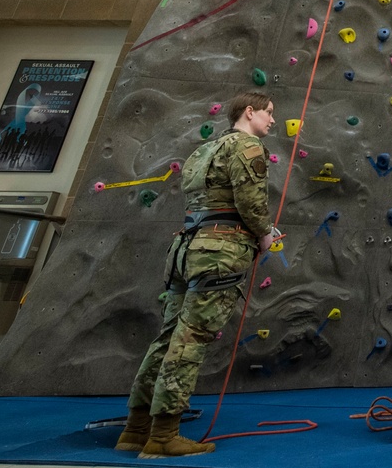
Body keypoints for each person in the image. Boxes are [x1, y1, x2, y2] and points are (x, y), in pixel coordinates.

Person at [115, 92, 277, 458]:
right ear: (249, 112)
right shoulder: (248, 147)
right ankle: (163, 436)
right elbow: (250, 203)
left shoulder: (203, 150)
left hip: (187, 248)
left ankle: (135, 428)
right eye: (268, 113)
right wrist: (266, 236)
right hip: (220, 251)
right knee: (190, 340)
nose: (272, 120)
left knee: (168, 336)